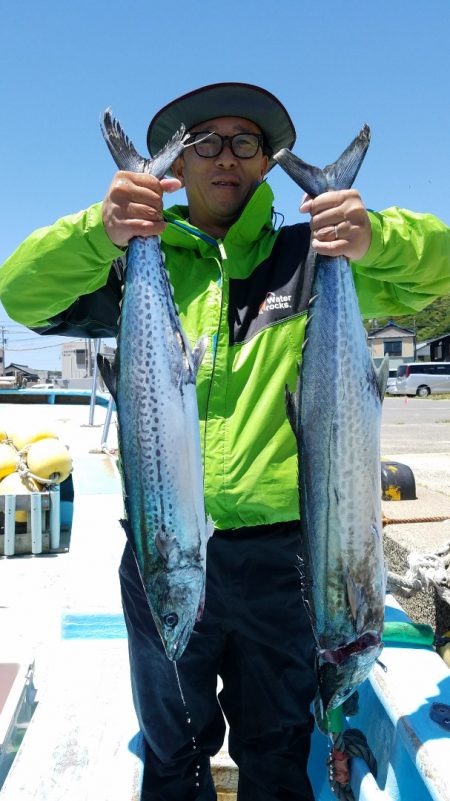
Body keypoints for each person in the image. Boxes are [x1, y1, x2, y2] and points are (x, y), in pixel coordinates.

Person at [1, 82, 450, 801]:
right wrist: (101, 230)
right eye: (205, 141)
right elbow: (20, 294)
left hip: (286, 566)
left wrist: (377, 237)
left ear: (268, 162)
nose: (225, 158)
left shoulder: (314, 257)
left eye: (246, 142)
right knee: (172, 749)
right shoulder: (133, 263)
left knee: (277, 752)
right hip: (163, 555)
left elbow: (445, 271)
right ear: (178, 165)